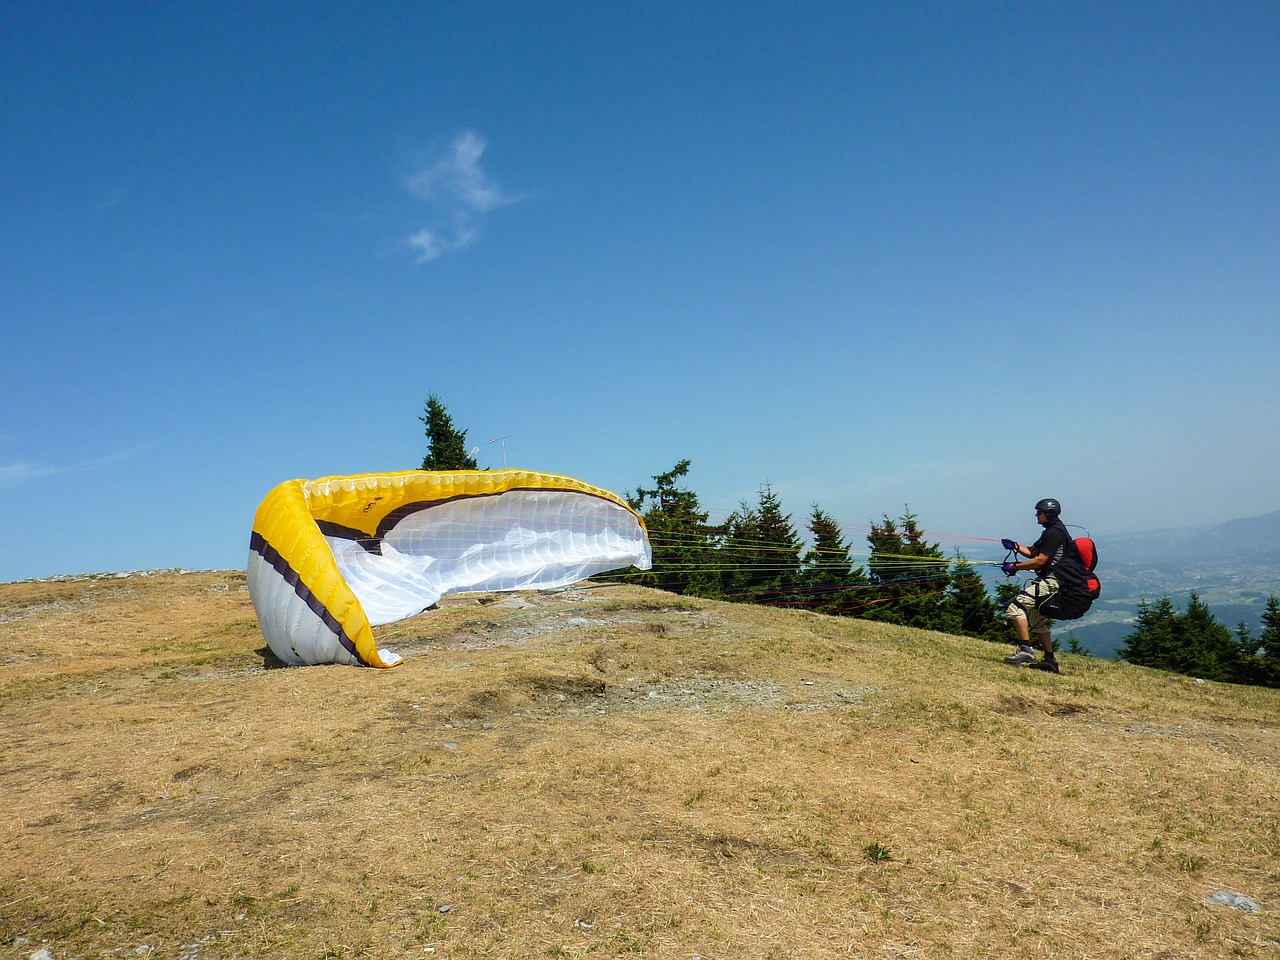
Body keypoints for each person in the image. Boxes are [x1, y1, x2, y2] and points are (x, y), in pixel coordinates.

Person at [999, 498, 1088, 674]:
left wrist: (1014, 567)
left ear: (1049, 514)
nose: (1036, 515)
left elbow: (1040, 560)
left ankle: (1026, 650)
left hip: (1054, 581)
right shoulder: (1052, 531)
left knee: (1014, 606)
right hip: (1057, 580)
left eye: (1039, 512)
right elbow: (1033, 552)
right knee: (1035, 616)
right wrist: (1015, 546)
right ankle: (1050, 661)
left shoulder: (1054, 533)